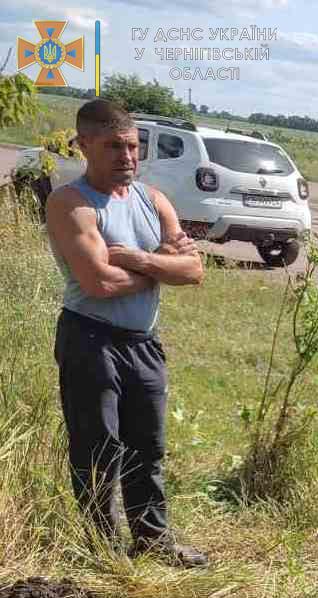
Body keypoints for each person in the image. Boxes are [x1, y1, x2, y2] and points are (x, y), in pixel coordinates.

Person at [45, 99, 207, 566]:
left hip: (143, 343)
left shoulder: (152, 200)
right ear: (83, 146)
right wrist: (164, 267)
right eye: (114, 146)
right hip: (89, 339)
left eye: (134, 147)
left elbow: (195, 270)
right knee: (98, 449)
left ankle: (153, 543)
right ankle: (103, 550)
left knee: (148, 447)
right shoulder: (71, 203)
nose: (127, 157)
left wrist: (137, 259)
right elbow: (98, 283)